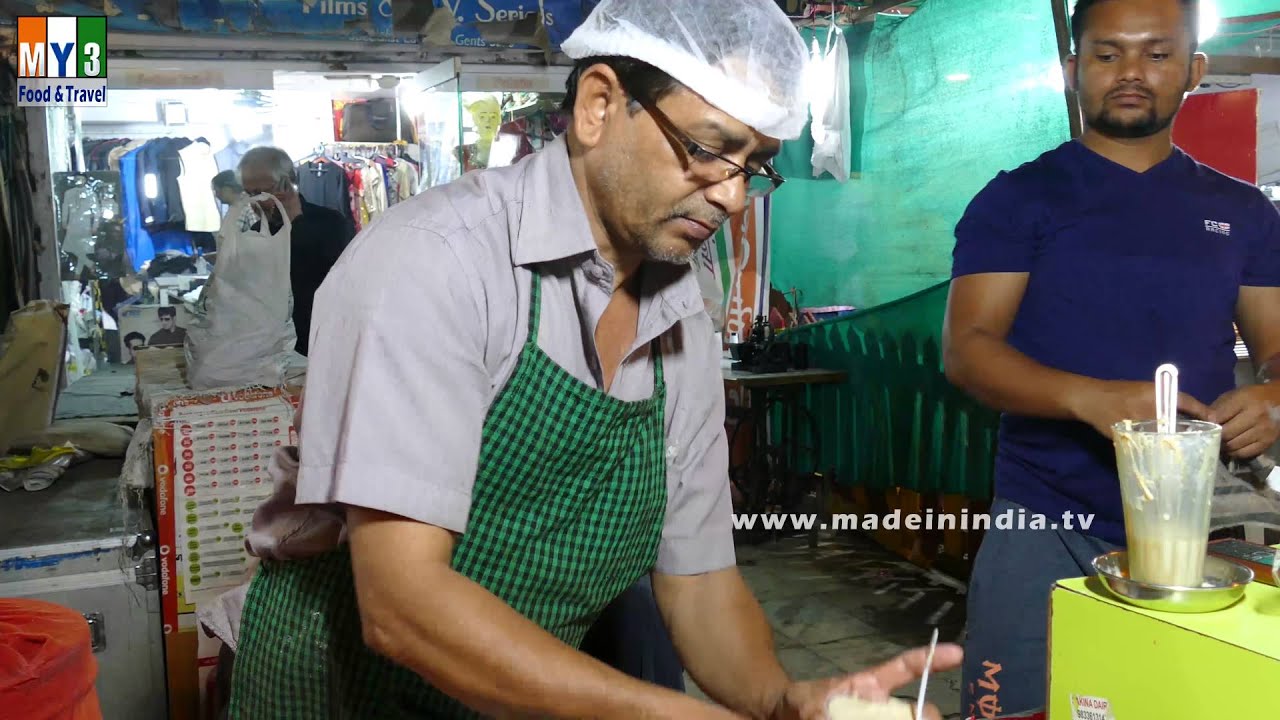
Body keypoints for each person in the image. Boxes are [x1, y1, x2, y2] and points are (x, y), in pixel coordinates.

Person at [224, 2, 960, 718]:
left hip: (521, 692)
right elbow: (403, 606)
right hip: (343, 692)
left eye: (755, 164)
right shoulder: (437, 262)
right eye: (707, 150)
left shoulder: (680, 306)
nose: (733, 195)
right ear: (599, 105)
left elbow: (699, 581)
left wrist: (782, 702)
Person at [944, 0, 1280, 717]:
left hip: (1199, 530)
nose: (1131, 72)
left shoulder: (1243, 212)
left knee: (1175, 703)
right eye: (1107, 54)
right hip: (1043, 521)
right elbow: (969, 352)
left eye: (1157, 54)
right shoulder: (1018, 199)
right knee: (1011, 707)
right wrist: (1085, 398)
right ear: (1073, 69)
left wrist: (1276, 397)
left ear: (1195, 69)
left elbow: (1279, 347)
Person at [236, 146, 355, 356]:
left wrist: (294, 220)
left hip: (323, 340)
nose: (256, 202)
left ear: (286, 183)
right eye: (250, 193)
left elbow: (341, 282)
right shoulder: (256, 233)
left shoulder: (330, 223)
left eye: (262, 192)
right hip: (273, 346)